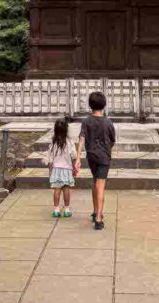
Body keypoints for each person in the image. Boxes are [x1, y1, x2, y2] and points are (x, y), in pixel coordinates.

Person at [75, 90, 116, 230]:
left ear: (90, 105)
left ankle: (94, 210)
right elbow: (112, 140)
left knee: (94, 181)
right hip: (104, 156)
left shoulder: (86, 122)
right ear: (103, 105)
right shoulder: (108, 122)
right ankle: (99, 217)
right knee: (101, 185)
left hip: (91, 156)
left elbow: (81, 139)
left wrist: (78, 158)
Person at [46, 117, 77, 217]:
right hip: (67, 169)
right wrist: (74, 167)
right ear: (66, 129)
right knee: (66, 189)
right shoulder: (69, 142)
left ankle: (56, 209)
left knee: (56, 189)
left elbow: (50, 159)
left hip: (56, 169)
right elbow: (73, 156)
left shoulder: (53, 143)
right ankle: (67, 209)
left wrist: (50, 171)